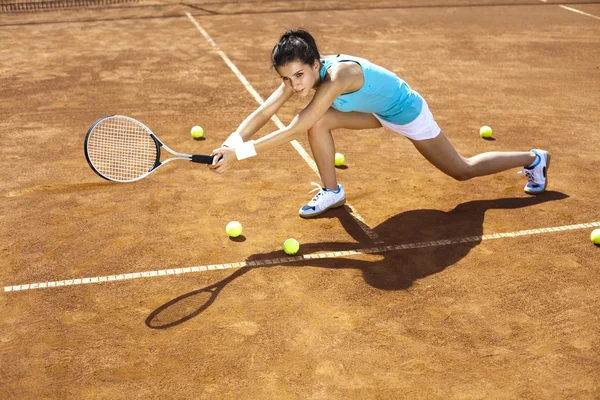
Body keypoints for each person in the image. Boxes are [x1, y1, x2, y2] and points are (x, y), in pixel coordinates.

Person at [209, 28, 550, 218]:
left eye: (300, 75)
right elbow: (263, 112)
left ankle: (533, 158)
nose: (295, 85)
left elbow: (295, 129)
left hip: (406, 113)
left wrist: (241, 155)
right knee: (316, 121)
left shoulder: (340, 76)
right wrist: (229, 143)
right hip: (374, 112)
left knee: (462, 170)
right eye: (287, 78)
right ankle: (332, 192)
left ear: (316, 63)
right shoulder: (301, 76)